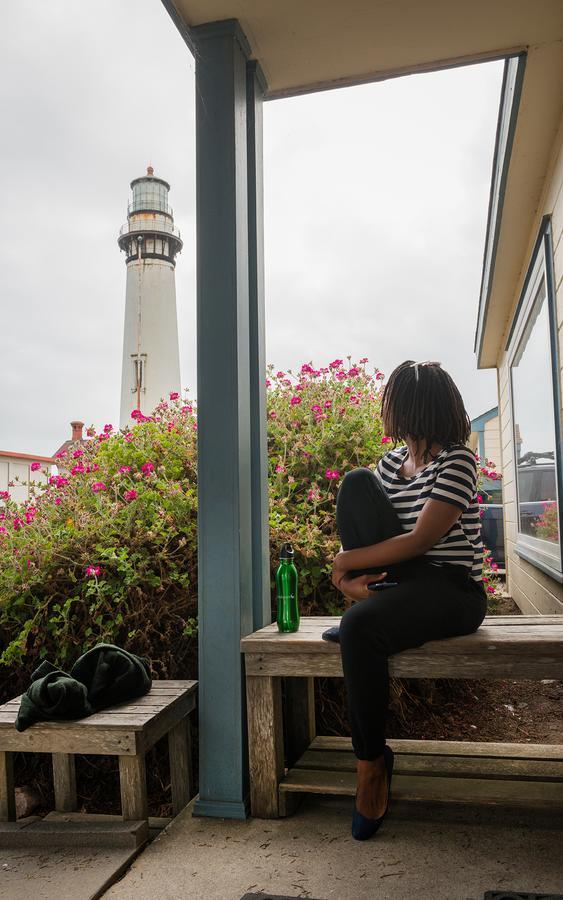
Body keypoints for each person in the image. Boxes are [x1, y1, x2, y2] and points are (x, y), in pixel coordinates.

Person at [328, 359, 487, 840]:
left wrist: (344, 561)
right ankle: (371, 604)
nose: (388, 411)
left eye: (395, 401)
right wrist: (347, 578)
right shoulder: (391, 465)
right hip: (404, 583)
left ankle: (371, 765)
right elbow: (381, 535)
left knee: (358, 631)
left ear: (414, 408)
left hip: (452, 589)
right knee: (356, 482)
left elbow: (419, 541)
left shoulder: (457, 461)